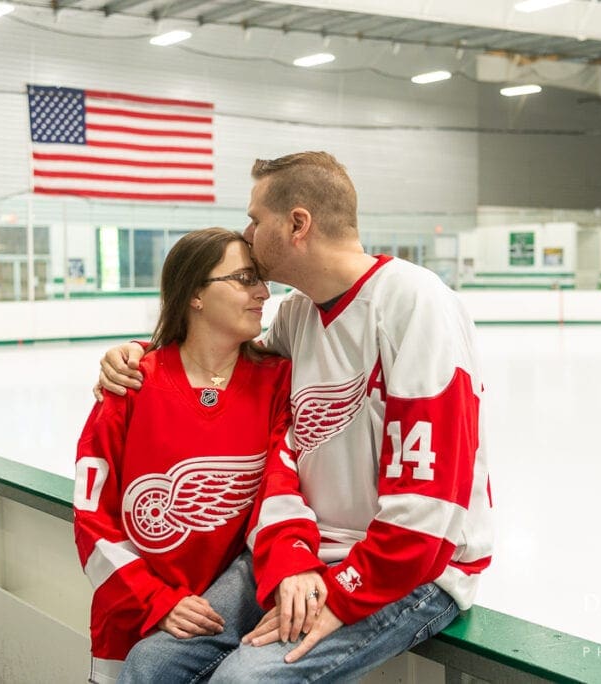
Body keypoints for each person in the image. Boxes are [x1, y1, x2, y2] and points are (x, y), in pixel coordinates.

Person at [99, 151, 494, 682]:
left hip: (413, 571)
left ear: (297, 224)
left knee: (243, 679)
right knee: (152, 664)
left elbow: (429, 503)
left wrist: (339, 594)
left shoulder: (415, 303)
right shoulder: (297, 315)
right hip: (304, 551)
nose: (248, 231)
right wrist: (137, 353)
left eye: (256, 219)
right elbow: (217, 357)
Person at [73, 227, 292, 684]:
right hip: (134, 621)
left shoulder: (278, 383)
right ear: (195, 293)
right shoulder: (131, 384)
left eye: (261, 279)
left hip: (230, 627)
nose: (263, 292)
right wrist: (156, 598)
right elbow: (93, 520)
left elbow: (281, 497)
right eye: (245, 278)